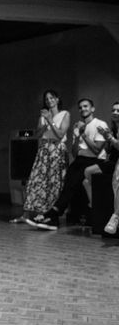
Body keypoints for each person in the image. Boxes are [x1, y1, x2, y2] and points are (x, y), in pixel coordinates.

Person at [29, 98, 108, 231]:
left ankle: (52, 214)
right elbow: (75, 152)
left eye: (86, 106)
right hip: (80, 160)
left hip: (95, 161)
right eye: (80, 107)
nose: (83, 109)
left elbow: (96, 150)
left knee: (73, 181)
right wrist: (77, 137)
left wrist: (83, 136)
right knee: (68, 183)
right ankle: (53, 218)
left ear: (92, 109)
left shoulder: (100, 124)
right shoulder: (78, 126)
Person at [9, 90, 70, 224]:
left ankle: (48, 215)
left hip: (57, 149)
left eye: (52, 98)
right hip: (44, 150)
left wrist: (50, 120)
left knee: (53, 183)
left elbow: (60, 135)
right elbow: (37, 134)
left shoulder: (65, 114)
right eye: (47, 99)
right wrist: (45, 123)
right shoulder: (42, 116)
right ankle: (26, 215)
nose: (49, 101)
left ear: (57, 99)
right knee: (34, 182)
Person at [85, 102, 119, 234]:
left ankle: (112, 215)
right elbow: (108, 150)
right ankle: (96, 207)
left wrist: (108, 137)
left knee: (88, 172)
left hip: (114, 163)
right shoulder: (112, 129)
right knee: (86, 181)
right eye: (113, 110)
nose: (115, 112)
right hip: (112, 161)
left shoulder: (111, 132)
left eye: (118, 110)